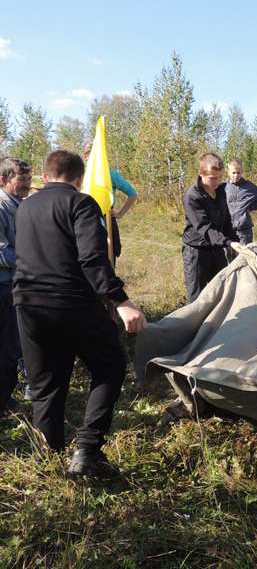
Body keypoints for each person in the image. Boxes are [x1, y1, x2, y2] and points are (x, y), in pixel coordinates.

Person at [13, 150, 146, 476]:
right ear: (79, 180)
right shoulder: (82, 204)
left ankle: (49, 458)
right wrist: (121, 301)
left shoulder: (25, 206)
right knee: (110, 365)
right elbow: (91, 258)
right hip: (71, 302)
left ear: (45, 176)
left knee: (46, 383)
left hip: (28, 304)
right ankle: (87, 449)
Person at [0, 158, 32, 413]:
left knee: (16, 342)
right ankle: (3, 400)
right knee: (8, 343)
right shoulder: (1, 208)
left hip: (19, 283)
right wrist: (35, 261)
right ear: (3, 180)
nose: (27, 185)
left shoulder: (22, 205)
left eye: (29, 180)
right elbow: (2, 254)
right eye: (21, 180)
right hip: (4, 287)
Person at [182, 153, 236, 303]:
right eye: (213, 178)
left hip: (216, 248)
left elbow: (226, 220)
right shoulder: (192, 196)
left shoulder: (221, 191)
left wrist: (235, 241)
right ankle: (194, 326)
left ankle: (219, 325)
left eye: (220, 177)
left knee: (221, 291)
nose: (217, 182)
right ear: (201, 174)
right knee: (196, 298)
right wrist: (228, 242)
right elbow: (204, 227)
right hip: (196, 251)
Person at [82, 144, 138, 267]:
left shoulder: (110, 175)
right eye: (90, 155)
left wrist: (120, 214)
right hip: (85, 220)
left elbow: (132, 194)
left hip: (107, 219)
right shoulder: (82, 176)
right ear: (85, 157)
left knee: (109, 259)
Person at [225, 159, 257, 245]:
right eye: (233, 173)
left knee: (245, 254)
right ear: (228, 172)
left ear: (242, 172)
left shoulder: (248, 186)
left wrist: (251, 207)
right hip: (228, 228)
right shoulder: (224, 186)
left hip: (244, 229)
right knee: (229, 256)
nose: (236, 175)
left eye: (238, 173)